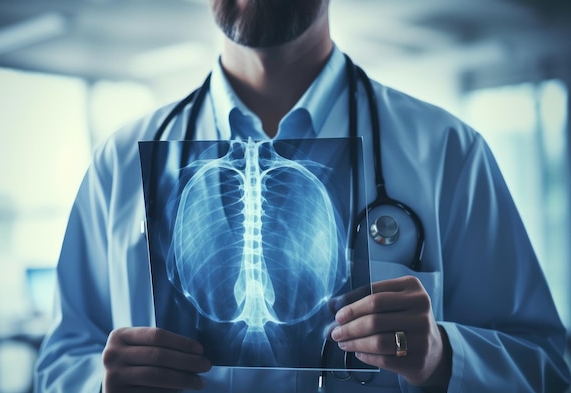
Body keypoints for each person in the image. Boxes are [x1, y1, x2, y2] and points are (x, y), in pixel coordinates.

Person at [34, 0, 571, 392]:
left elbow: (549, 368)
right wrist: (97, 386)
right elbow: (60, 363)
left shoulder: (448, 152)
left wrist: (443, 356)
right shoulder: (120, 161)